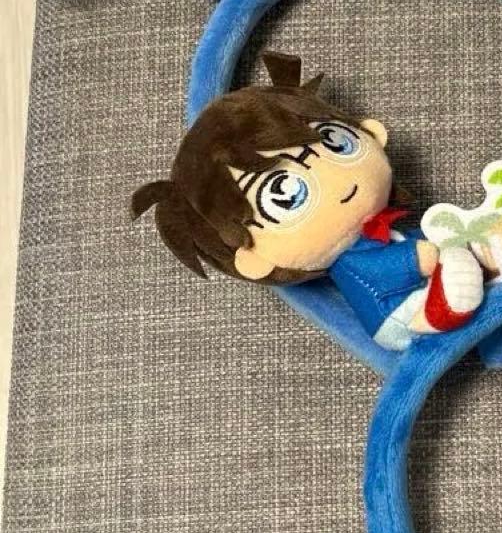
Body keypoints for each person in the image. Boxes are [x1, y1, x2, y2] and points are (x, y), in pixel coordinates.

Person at [132, 53, 484, 352]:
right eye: (283, 194)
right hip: (395, 314)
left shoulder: (375, 230)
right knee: (454, 272)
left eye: (334, 141)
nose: (340, 184)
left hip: (416, 286)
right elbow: (386, 267)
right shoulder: (350, 260)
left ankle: (490, 332)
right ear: (252, 259)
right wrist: (422, 256)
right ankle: (440, 312)